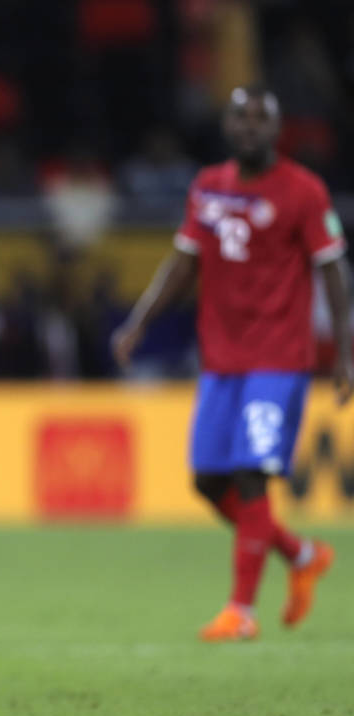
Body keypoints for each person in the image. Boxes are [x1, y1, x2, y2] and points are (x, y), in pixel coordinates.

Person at [113, 86, 351, 642]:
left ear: (276, 129)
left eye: (259, 119)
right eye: (240, 118)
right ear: (227, 126)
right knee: (207, 481)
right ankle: (302, 555)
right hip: (221, 361)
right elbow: (181, 263)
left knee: (250, 474)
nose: (249, 128)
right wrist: (140, 322)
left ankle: (241, 610)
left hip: (278, 359)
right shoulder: (208, 188)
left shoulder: (304, 191)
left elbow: (332, 270)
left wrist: (344, 350)